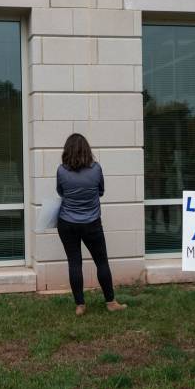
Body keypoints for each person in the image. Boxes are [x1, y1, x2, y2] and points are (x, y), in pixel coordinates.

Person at [56, 133, 127, 316]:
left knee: (74, 263)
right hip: (92, 223)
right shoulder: (96, 169)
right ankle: (111, 302)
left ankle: (80, 305)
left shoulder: (61, 171)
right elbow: (101, 191)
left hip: (67, 223)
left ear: (67, 151)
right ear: (87, 150)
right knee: (101, 262)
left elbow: (61, 192)